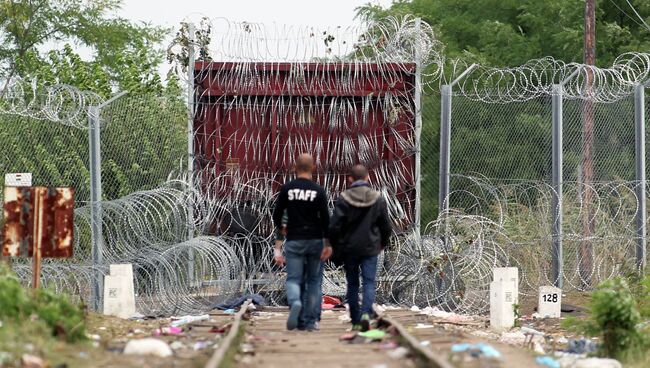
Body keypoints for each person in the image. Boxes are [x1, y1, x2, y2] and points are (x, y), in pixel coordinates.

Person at [329, 164, 392, 332]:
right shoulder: (377, 198)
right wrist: (382, 243)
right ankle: (366, 313)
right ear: (367, 178)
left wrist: (336, 246)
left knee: (352, 284)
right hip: (371, 247)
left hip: (350, 248)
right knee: (369, 282)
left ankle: (356, 320)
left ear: (350, 179)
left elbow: (334, 226)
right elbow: (386, 226)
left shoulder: (344, 198)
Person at [273, 153, 332, 331]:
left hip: (295, 239)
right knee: (314, 282)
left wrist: (283, 228)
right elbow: (326, 220)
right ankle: (310, 321)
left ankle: (295, 302)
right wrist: (327, 244)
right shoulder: (318, 191)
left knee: (293, 279)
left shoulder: (287, 189)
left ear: (295, 168)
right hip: (315, 240)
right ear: (313, 168)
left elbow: (278, 214)